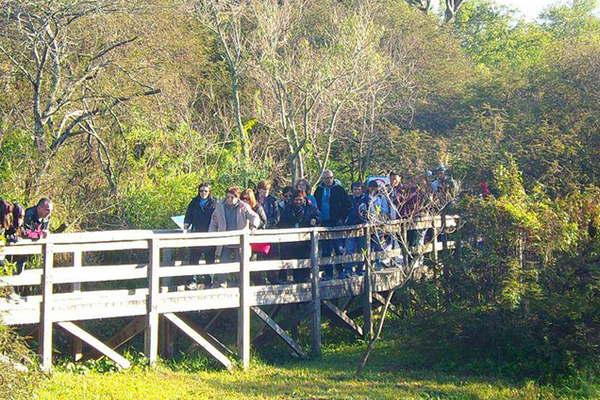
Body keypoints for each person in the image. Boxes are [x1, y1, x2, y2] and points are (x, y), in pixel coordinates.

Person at [209, 187, 261, 287]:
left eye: (232, 197)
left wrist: (253, 227)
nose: (229, 199)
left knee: (241, 265)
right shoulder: (220, 207)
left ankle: (242, 285)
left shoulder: (243, 206)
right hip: (225, 241)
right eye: (228, 197)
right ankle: (221, 284)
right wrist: (212, 235)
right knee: (223, 265)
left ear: (237, 198)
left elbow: (255, 216)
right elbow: (214, 222)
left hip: (240, 242)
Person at [314, 169, 351, 280]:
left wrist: (341, 218)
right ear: (323, 179)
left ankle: (341, 271)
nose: (329, 180)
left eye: (330, 178)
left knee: (338, 248)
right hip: (324, 223)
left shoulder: (339, 189)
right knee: (326, 250)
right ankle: (328, 273)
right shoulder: (319, 190)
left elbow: (347, 205)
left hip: (336, 222)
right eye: (326, 178)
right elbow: (315, 206)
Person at [279, 190, 320, 282]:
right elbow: (282, 222)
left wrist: (315, 220)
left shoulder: (310, 208)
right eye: (296, 200)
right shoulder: (288, 208)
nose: (298, 202)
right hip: (291, 240)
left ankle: (304, 279)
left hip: (305, 240)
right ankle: (285, 279)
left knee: (304, 260)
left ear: (304, 199)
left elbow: (318, 216)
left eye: (300, 200)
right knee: (288, 259)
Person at [343, 182, 369, 277]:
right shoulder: (349, 200)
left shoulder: (366, 199)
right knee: (350, 249)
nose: (357, 191)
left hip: (362, 228)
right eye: (355, 189)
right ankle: (348, 269)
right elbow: (345, 211)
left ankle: (360, 269)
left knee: (362, 249)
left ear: (362, 190)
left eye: (359, 189)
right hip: (350, 227)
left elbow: (369, 212)